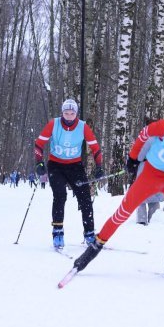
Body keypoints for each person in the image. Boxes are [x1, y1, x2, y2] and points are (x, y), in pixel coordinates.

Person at [73, 95, 164, 276]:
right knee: (122, 213)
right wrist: (133, 157)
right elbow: (145, 133)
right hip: (151, 175)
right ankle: (92, 251)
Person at [34, 98, 104, 249]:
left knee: (85, 197)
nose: (69, 116)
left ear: (76, 114)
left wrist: (99, 166)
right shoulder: (54, 123)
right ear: (62, 112)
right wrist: (39, 163)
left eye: (72, 113)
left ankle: (89, 233)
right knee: (60, 196)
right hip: (56, 165)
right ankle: (57, 231)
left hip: (75, 166)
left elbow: (95, 147)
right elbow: (39, 144)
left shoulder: (83, 126)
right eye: (66, 113)